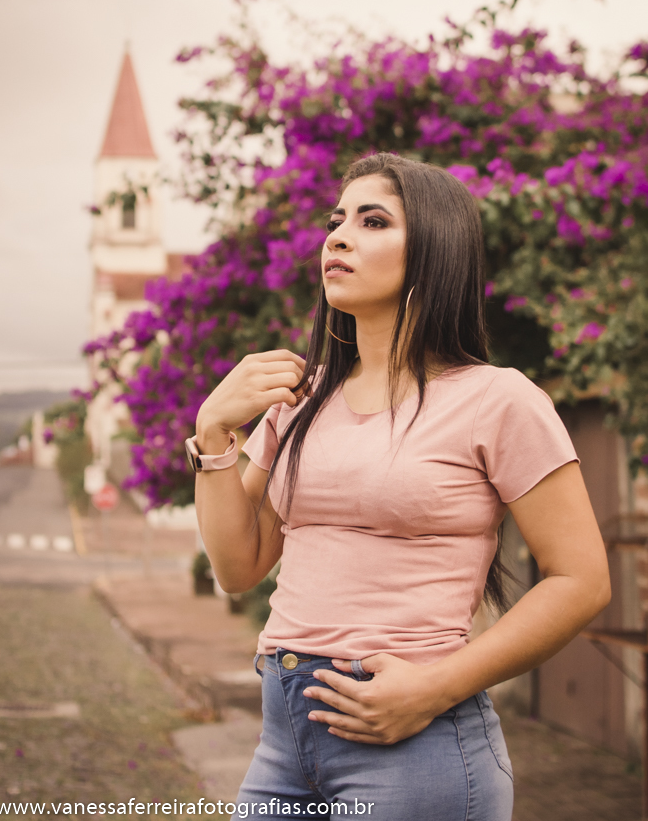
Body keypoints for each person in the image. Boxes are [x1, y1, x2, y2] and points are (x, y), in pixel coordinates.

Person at [190, 153, 611, 821]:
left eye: (373, 221)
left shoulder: (496, 399)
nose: (338, 236)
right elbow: (238, 567)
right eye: (336, 221)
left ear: (434, 251)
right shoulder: (298, 403)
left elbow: (582, 581)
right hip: (282, 741)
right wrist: (213, 431)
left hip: (414, 748)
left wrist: (435, 688)